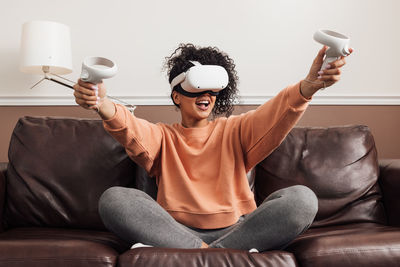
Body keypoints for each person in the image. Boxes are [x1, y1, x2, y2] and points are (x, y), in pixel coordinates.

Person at [73, 43, 352, 251]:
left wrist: (309, 86)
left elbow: (278, 113)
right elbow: (130, 129)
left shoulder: (236, 130)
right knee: (114, 199)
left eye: (212, 91)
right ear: (176, 95)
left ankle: (202, 256)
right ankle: (217, 256)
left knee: (303, 199)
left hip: (241, 229)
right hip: (174, 230)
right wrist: (102, 104)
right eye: (198, 88)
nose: (207, 95)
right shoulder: (162, 137)